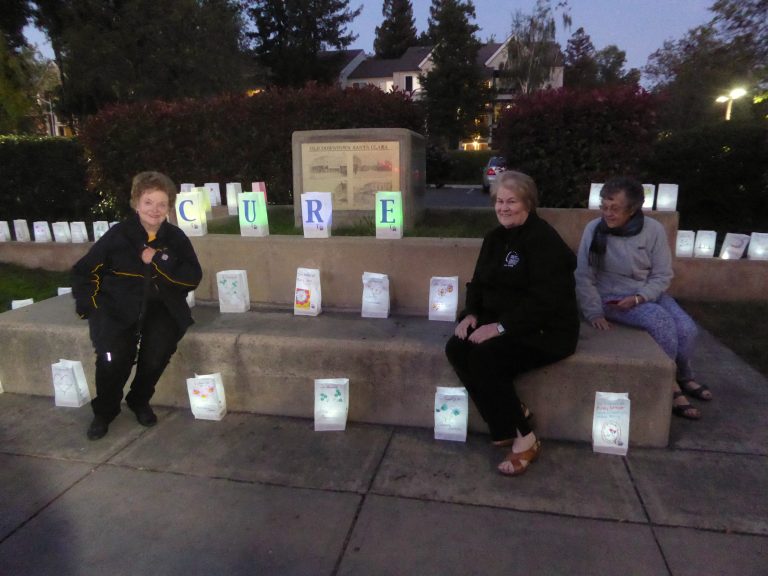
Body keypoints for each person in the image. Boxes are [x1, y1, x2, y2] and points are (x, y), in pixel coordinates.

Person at [445, 171, 580, 476]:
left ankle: (525, 438)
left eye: (512, 201)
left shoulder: (543, 239)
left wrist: (500, 328)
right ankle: (506, 418)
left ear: (528, 204)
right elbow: (478, 282)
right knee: (456, 347)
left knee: (485, 355)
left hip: (547, 330)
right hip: (505, 322)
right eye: (500, 201)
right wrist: (471, 315)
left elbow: (546, 302)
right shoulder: (494, 238)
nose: (504, 207)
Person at [72, 171, 202, 440]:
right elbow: (85, 271)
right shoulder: (118, 235)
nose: (155, 210)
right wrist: (92, 307)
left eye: (161, 204)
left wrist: (159, 259)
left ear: (169, 207)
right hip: (116, 307)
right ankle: (105, 411)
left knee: (156, 354)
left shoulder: (175, 238)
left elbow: (192, 277)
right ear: (136, 203)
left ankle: (139, 400)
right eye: (148, 202)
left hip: (161, 306)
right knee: (112, 358)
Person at [574, 176, 712, 421]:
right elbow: (584, 274)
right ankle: (670, 388)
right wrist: (594, 311)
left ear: (633, 208)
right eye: (604, 206)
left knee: (687, 330)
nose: (607, 213)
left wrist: (641, 297)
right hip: (612, 297)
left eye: (614, 208)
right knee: (661, 323)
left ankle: (683, 374)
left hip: (647, 292)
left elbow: (662, 274)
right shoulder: (594, 230)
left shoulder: (652, 230)